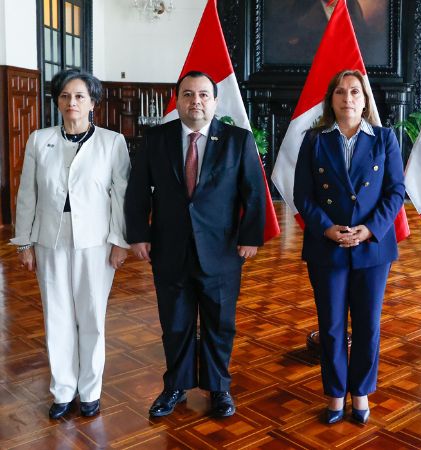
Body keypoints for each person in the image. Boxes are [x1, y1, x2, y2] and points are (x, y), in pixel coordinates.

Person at [125, 71, 266, 418]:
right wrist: (139, 234)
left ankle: (218, 388)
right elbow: (137, 190)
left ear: (215, 101)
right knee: (175, 323)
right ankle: (176, 385)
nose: (196, 101)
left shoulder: (237, 140)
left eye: (203, 95)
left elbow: (254, 192)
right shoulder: (156, 139)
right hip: (169, 248)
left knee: (220, 323)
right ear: (178, 100)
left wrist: (250, 237)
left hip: (222, 250)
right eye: (188, 94)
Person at [12, 69, 130, 419]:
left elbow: (121, 196)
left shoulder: (112, 142)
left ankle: (90, 391)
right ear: (58, 102)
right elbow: (27, 194)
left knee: (92, 316)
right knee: (57, 315)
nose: (71, 102)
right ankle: (63, 390)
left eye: (79, 96)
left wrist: (120, 241)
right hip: (50, 238)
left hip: (96, 241)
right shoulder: (39, 140)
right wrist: (24, 242)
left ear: (93, 103)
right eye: (65, 96)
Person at [293, 69, 405, 425]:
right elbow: (302, 195)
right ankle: (335, 395)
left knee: (368, 325)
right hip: (328, 246)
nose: (347, 98)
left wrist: (370, 229)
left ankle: (361, 393)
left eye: (355, 91)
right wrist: (327, 229)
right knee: (331, 326)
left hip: (371, 246)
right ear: (331, 99)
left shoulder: (385, 138)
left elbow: (396, 192)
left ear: (365, 98)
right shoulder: (314, 140)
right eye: (340, 91)